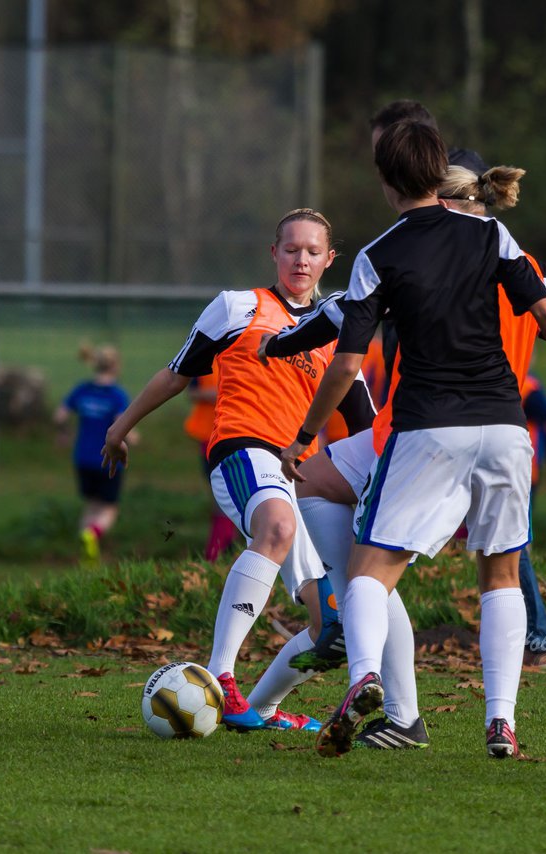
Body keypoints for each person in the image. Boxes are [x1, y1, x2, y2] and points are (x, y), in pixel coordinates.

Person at [280, 121, 546, 760]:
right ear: (439, 175)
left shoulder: (380, 255)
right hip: (504, 429)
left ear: (385, 182)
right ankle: (500, 723)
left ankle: (364, 682)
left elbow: (347, 366)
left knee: (370, 571)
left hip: (429, 427)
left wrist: (301, 437)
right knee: (501, 574)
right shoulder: (491, 232)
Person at [102, 209, 375, 732]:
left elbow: (367, 424)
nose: (301, 259)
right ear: (273, 253)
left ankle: (261, 708)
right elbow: (177, 373)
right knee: (275, 525)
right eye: (291, 248)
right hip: (242, 450)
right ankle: (220, 676)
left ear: (329, 260)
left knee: (332, 630)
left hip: (299, 473)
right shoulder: (239, 306)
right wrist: (120, 427)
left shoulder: (341, 332)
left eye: (313, 251)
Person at [55, 345, 133, 560]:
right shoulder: (117, 395)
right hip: (108, 459)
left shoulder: (82, 390)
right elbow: (121, 424)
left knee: (91, 505)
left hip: (82, 458)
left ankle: (86, 554)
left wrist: (64, 435)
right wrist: (134, 438)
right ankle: (93, 535)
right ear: (116, 366)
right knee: (109, 508)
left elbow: (59, 416)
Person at [182, 365, 238, 561]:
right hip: (210, 437)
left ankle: (219, 550)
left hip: (235, 435)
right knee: (223, 496)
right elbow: (191, 392)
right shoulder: (207, 360)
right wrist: (215, 394)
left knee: (229, 497)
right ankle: (217, 552)